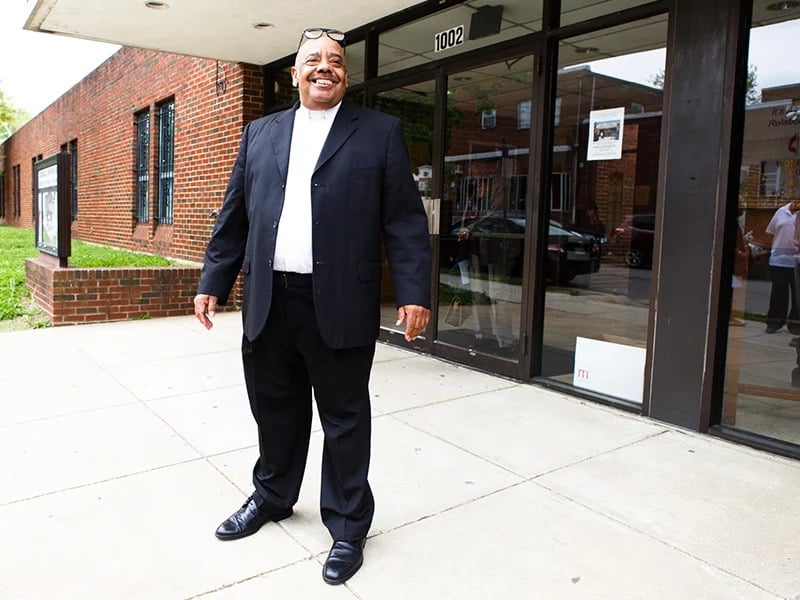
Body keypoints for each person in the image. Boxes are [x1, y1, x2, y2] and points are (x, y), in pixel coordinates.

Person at [193, 27, 431, 586]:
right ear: (295, 74)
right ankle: (273, 495)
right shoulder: (261, 133)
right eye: (313, 60)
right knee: (275, 407)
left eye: (335, 60)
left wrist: (416, 292)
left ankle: (348, 526)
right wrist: (213, 278)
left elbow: (404, 222)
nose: (325, 67)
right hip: (270, 298)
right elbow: (235, 217)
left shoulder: (379, 133)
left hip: (340, 301)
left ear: (344, 74)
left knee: (345, 418)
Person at [764, 201, 800, 334]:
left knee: (797, 295)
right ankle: (774, 322)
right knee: (778, 293)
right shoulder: (781, 212)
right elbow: (771, 232)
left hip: (797, 261)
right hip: (778, 260)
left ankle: (795, 324)